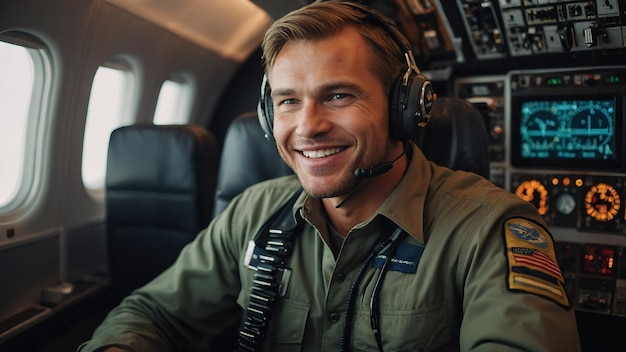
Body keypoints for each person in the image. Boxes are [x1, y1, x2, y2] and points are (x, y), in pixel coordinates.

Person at [78, 1, 581, 351]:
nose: (308, 126)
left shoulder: (487, 229)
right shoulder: (254, 212)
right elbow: (154, 313)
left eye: (338, 95)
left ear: (405, 108)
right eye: (288, 101)